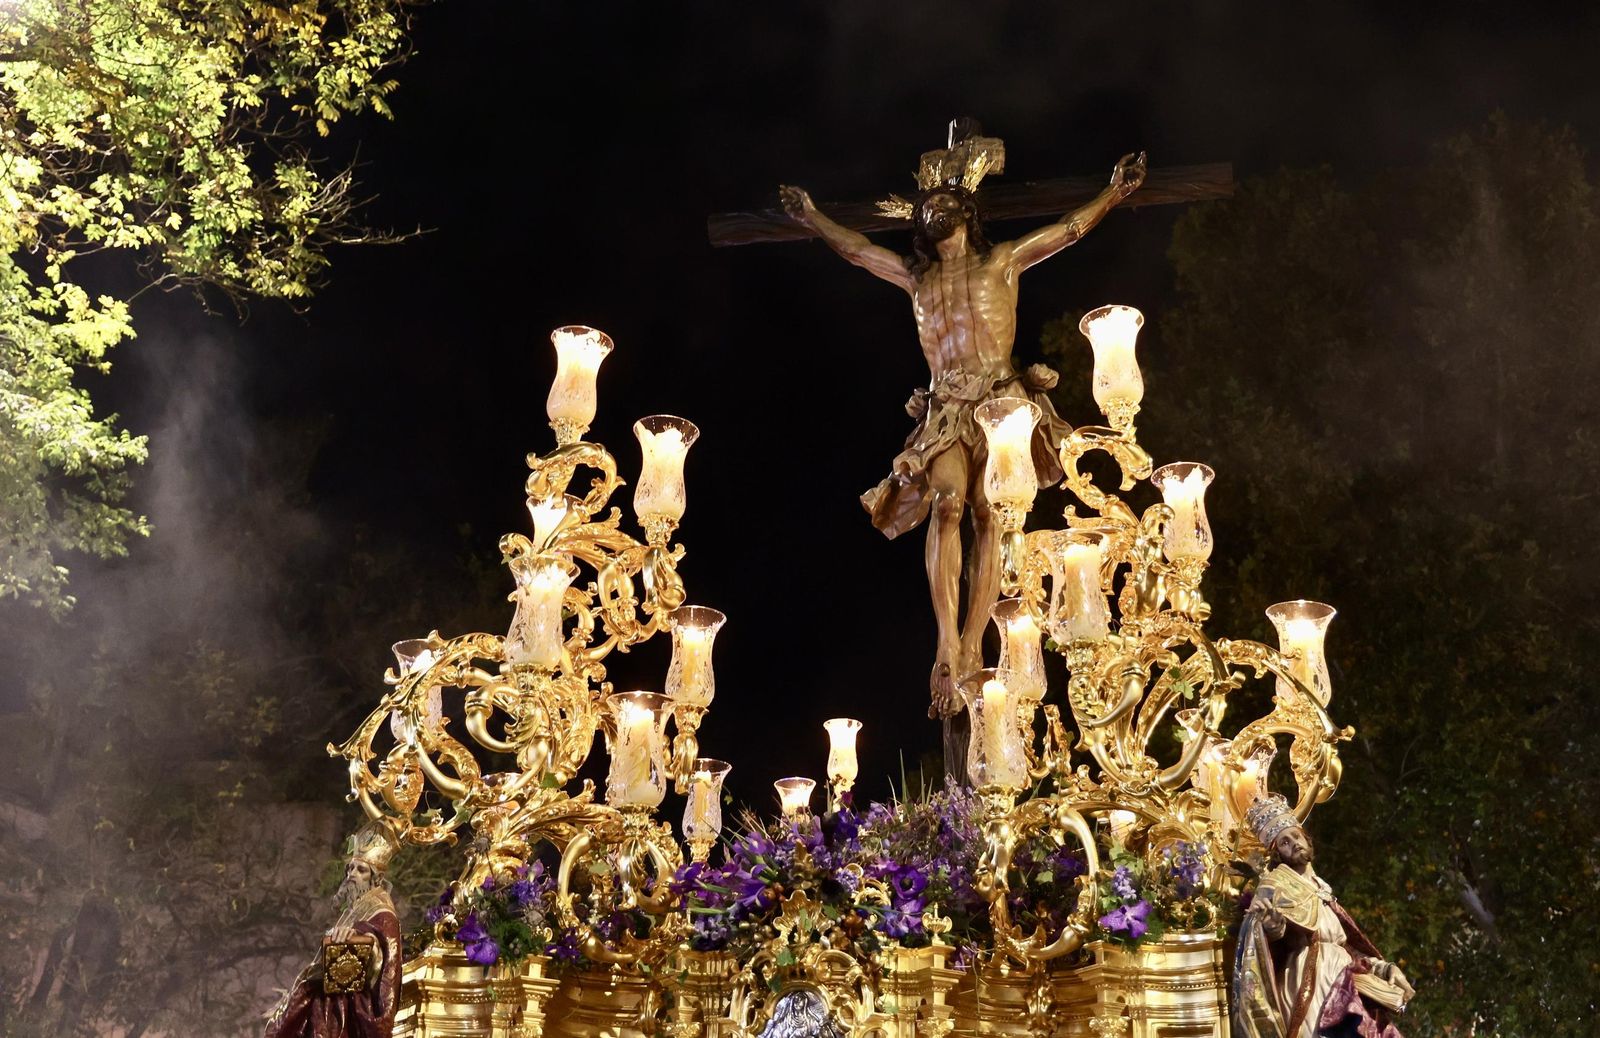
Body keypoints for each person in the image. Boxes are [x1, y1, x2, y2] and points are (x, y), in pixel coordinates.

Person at [779, 130, 1145, 768]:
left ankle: (976, 640)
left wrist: (1113, 194)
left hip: (1000, 403)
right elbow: (861, 252)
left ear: (967, 214)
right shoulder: (916, 280)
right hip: (946, 409)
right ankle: (948, 642)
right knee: (946, 502)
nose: (931, 210)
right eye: (925, 205)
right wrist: (812, 217)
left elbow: (1064, 232)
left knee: (988, 514)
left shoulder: (999, 261)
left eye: (945, 202)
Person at [1232, 794, 1414, 1038]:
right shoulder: (1275, 884)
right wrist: (1272, 927)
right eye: (1284, 842)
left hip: (1343, 972)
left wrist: (1382, 968)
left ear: (1307, 839)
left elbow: (1348, 943)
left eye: (1296, 836)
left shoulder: (1322, 887)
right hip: (1310, 979)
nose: (1294, 843)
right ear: (1278, 854)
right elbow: (1264, 935)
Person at [265, 825, 403, 1038]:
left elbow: (381, 949)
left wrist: (358, 940)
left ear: (377, 877)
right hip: (335, 991)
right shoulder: (356, 907)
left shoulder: (381, 909)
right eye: (350, 868)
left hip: (352, 1005)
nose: (351, 874)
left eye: (361, 870)